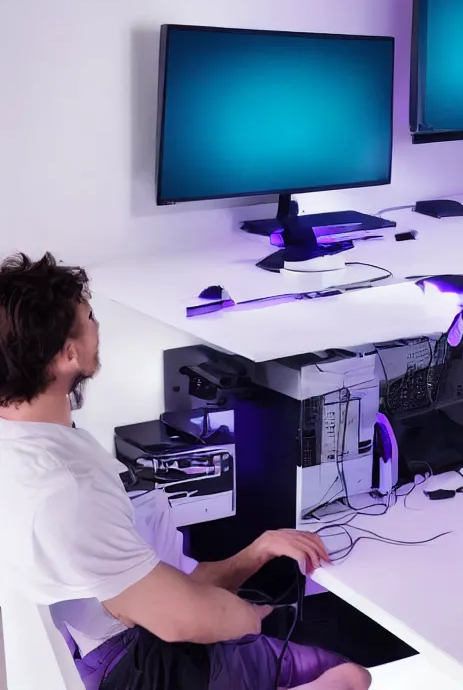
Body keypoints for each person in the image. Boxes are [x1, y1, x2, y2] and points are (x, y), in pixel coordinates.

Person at [0, 252, 372, 690]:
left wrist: (258, 552)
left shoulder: (28, 445)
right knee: (349, 677)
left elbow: (166, 589)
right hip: (137, 667)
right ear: (68, 354)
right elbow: (182, 620)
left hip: (107, 643)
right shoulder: (69, 487)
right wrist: (249, 618)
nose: (98, 327)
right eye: (90, 317)